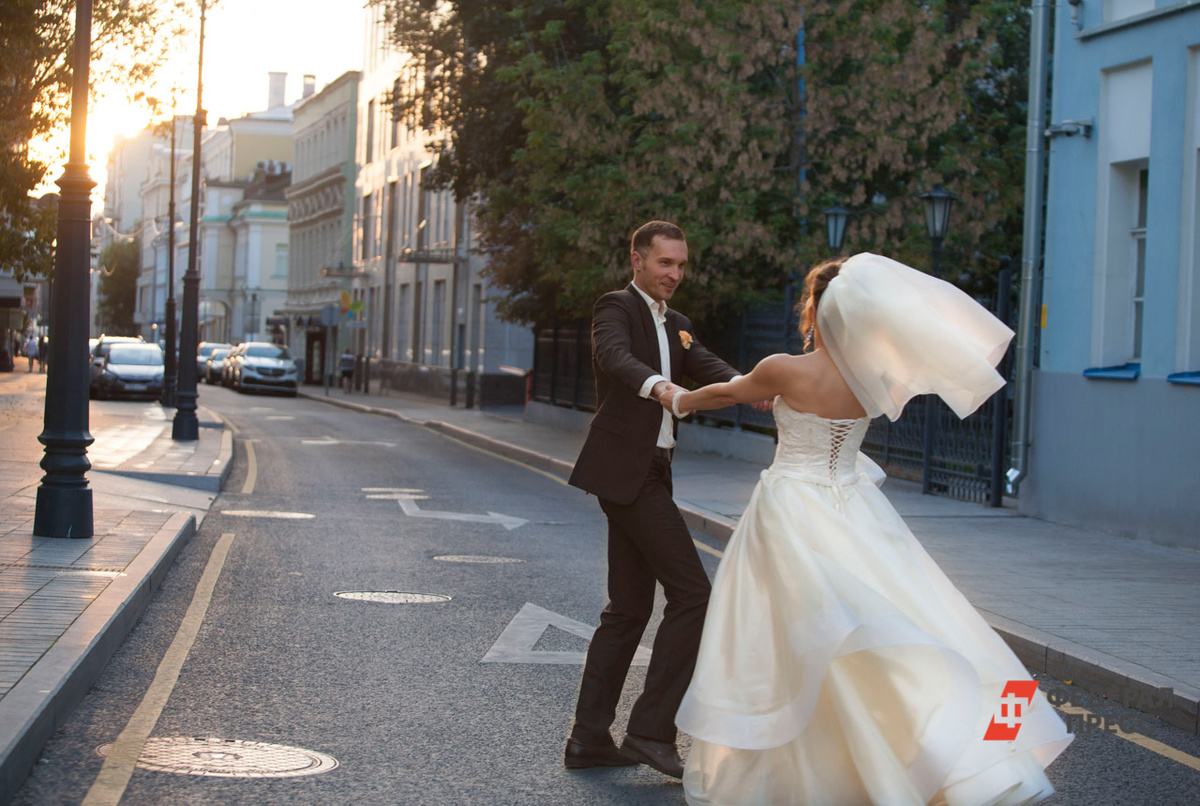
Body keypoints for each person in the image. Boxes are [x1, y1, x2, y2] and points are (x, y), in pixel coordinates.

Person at [665, 253, 1073, 806]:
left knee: (793, 639)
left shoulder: (786, 367)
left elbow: (723, 394)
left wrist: (676, 397)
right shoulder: (873, 378)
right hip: (856, 508)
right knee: (906, 619)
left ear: (817, 309)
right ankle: (962, 753)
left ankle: (819, 775)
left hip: (791, 510)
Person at [564, 220, 744, 779]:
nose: (675, 274)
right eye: (665, 263)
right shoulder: (614, 307)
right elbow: (616, 358)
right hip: (626, 473)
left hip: (653, 473)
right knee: (694, 595)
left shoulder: (681, 327)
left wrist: (762, 389)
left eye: (682, 265)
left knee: (629, 610)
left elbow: (713, 370)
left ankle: (589, 739)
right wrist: (662, 388)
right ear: (638, 260)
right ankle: (649, 731)